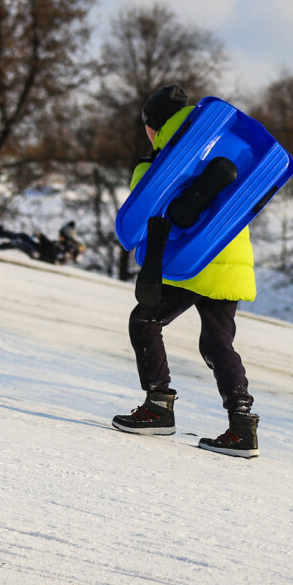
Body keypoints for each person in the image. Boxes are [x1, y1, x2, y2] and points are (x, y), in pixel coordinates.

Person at [112, 84, 260, 458]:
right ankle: (242, 427)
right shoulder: (222, 144)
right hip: (232, 259)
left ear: (154, 125)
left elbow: (142, 215)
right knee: (217, 343)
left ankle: (158, 406)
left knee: (145, 320)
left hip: (191, 261)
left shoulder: (161, 162)